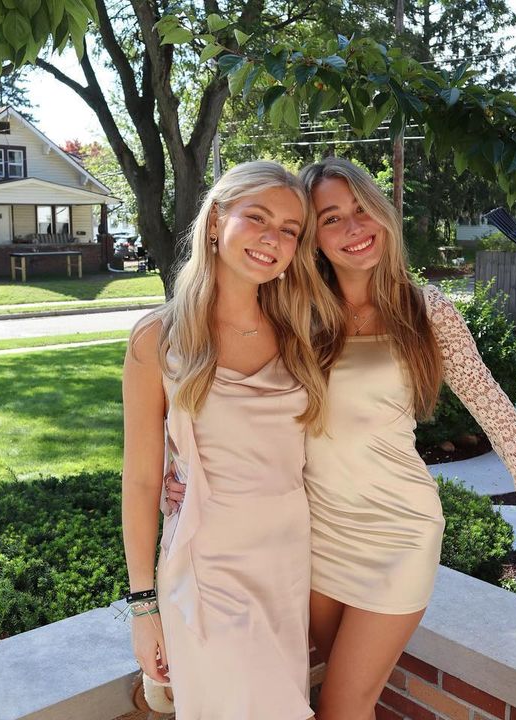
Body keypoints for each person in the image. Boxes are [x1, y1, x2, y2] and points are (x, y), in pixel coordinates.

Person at [166, 157, 516, 720]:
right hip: (314, 535)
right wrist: (181, 470)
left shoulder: (427, 311)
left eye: (362, 208)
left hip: (398, 531)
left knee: (341, 706)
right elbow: (220, 392)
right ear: (312, 236)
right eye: (332, 218)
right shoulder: (294, 311)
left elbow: (504, 423)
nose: (354, 227)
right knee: (339, 696)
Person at [121, 160, 326, 720]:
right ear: (215, 221)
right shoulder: (158, 339)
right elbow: (141, 481)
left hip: (286, 564)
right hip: (206, 569)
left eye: (289, 229)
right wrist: (143, 608)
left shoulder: (302, 335)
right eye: (257, 217)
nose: (272, 239)